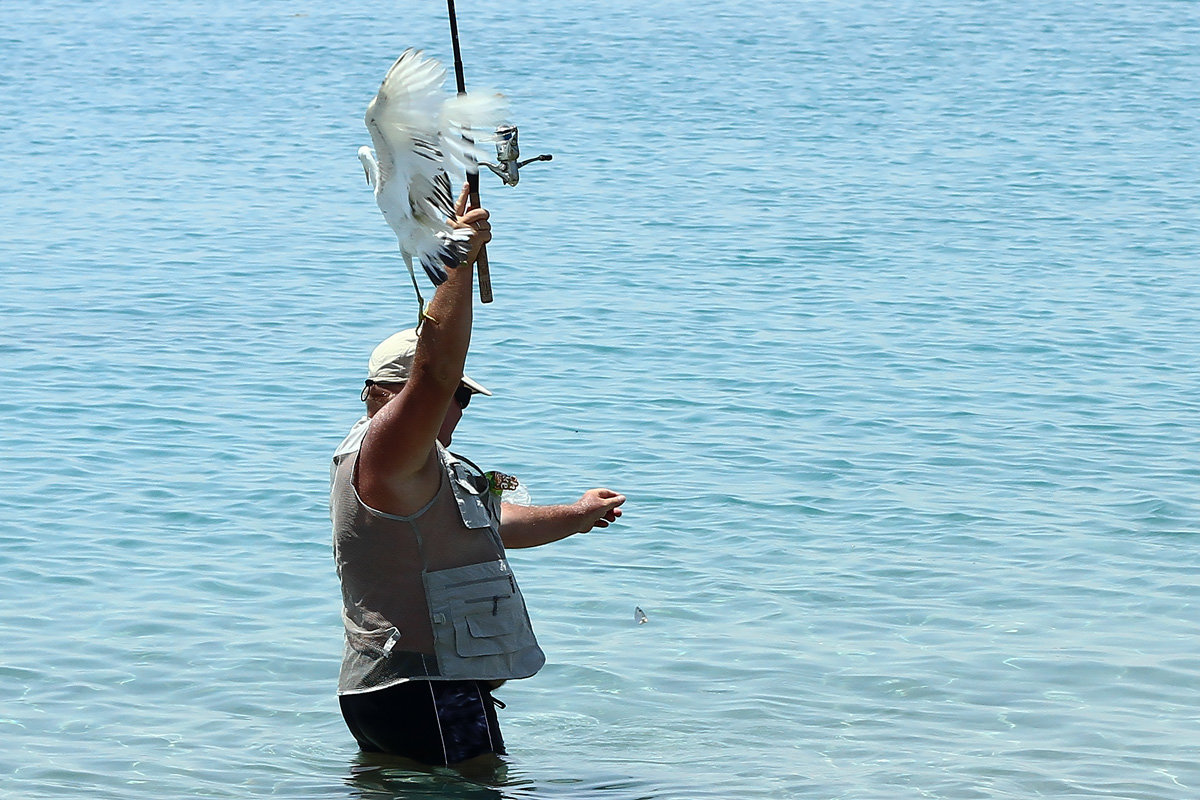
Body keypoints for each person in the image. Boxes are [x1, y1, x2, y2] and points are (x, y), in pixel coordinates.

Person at [330, 187, 626, 766]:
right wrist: (457, 258)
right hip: (424, 691)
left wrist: (577, 514)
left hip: (414, 692)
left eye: (466, 399)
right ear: (386, 395)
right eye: (453, 395)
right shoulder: (383, 454)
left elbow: (496, 524)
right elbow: (436, 371)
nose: (457, 407)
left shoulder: (424, 469)